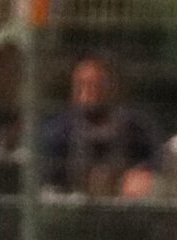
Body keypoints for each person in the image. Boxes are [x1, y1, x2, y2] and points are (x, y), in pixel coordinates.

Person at [39, 56, 158, 199]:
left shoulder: (136, 127)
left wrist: (142, 174)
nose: (89, 92)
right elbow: (47, 179)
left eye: (97, 85)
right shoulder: (59, 131)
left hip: (125, 208)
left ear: (114, 88)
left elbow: (158, 161)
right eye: (82, 85)